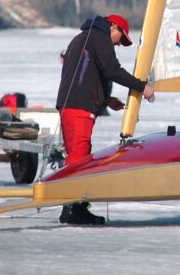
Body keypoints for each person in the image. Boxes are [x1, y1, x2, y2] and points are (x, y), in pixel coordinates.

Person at [56, 14, 154, 224]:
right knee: (79, 156)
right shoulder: (99, 37)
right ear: (114, 27)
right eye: (121, 38)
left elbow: (87, 74)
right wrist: (141, 86)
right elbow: (112, 71)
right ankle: (74, 208)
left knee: (78, 153)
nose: (119, 44)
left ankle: (72, 206)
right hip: (78, 105)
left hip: (72, 103)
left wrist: (106, 100)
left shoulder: (86, 36)